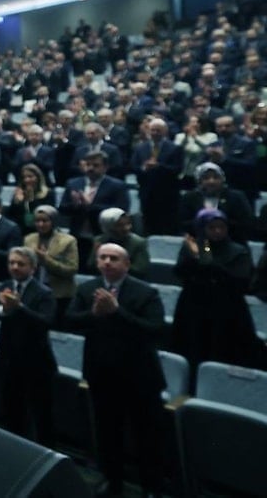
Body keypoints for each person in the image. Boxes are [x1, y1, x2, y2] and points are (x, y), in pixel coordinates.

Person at [65, 244, 167, 497]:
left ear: (127, 264)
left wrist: (116, 312)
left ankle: (150, 488)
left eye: (114, 258)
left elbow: (155, 330)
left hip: (140, 378)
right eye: (103, 257)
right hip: (102, 376)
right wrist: (94, 314)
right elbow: (69, 321)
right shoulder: (87, 289)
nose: (107, 262)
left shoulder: (145, 292)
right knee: (108, 435)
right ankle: (113, 484)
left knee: (146, 438)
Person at [170, 209, 267, 391]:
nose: (217, 232)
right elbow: (180, 272)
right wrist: (198, 254)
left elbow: (239, 279)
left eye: (221, 227)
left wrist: (200, 256)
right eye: (212, 228)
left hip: (227, 310)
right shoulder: (195, 247)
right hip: (194, 307)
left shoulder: (238, 250)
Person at [0, 246, 57, 447]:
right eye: (11, 263)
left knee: (40, 413)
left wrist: (19, 308)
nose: (15, 267)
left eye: (20, 264)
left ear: (33, 268)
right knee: (11, 409)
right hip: (8, 359)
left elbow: (46, 322)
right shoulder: (3, 286)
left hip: (36, 362)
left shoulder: (44, 292)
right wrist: (3, 309)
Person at [24, 205, 78, 327]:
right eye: (37, 221)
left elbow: (71, 269)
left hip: (59, 294)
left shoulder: (68, 241)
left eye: (45, 221)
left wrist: (46, 260)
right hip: (35, 292)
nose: (41, 224)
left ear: (53, 221)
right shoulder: (29, 239)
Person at [86, 207, 150, 280]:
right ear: (108, 227)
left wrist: (114, 267)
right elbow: (91, 265)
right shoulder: (100, 240)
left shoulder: (138, 242)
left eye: (128, 223)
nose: (126, 228)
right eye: (119, 225)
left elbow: (140, 269)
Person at [3, 163, 55, 235]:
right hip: (20, 230)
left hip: (40, 229)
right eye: (24, 177)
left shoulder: (48, 193)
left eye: (30, 177)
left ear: (38, 177)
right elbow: (11, 214)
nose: (26, 180)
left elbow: (47, 214)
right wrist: (18, 202)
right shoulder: (19, 193)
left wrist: (31, 199)